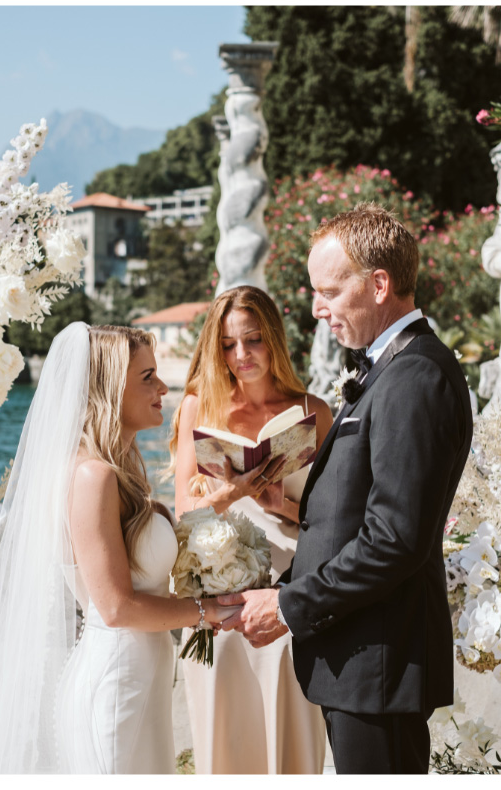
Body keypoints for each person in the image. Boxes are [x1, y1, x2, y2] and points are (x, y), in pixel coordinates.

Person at [218, 203, 472, 774]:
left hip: (378, 663)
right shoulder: (389, 369)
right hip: (359, 661)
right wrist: (273, 583)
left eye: (329, 291)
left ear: (379, 284)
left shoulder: (416, 377)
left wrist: (288, 605)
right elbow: (347, 518)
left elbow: (394, 540)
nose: (317, 308)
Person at [0, 323, 238, 774]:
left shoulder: (116, 472)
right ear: (107, 387)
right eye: (146, 378)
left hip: (142, 679)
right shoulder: (90, 476)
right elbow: (116, 607)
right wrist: (209, 611)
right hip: (116, 684)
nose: (162, 387)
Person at [169, 285, 331, 774]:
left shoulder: (314, 411)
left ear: (274, 339)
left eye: (253, 339)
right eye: (227, 345)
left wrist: (279, 501)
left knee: (291, 736)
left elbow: (331, 520)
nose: (241, 355)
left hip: (291, 591)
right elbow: (183, 512)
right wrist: (236, 490)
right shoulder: (200, 407)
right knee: (226, 738)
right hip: (220, 592)